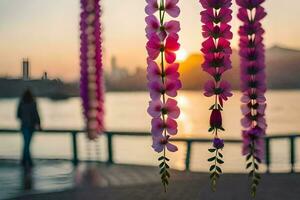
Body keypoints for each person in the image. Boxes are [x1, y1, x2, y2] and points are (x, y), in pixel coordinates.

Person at [17, 89, 41, 167]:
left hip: (24, 126)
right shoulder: (33, 103)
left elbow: (18, 115)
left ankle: (24, 160)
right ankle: (28, 161)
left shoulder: (21, 103)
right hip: (31, 126)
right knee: (27, 144)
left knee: (26, 144)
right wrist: (39, 124)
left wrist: (23, 119)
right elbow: (36, 115)